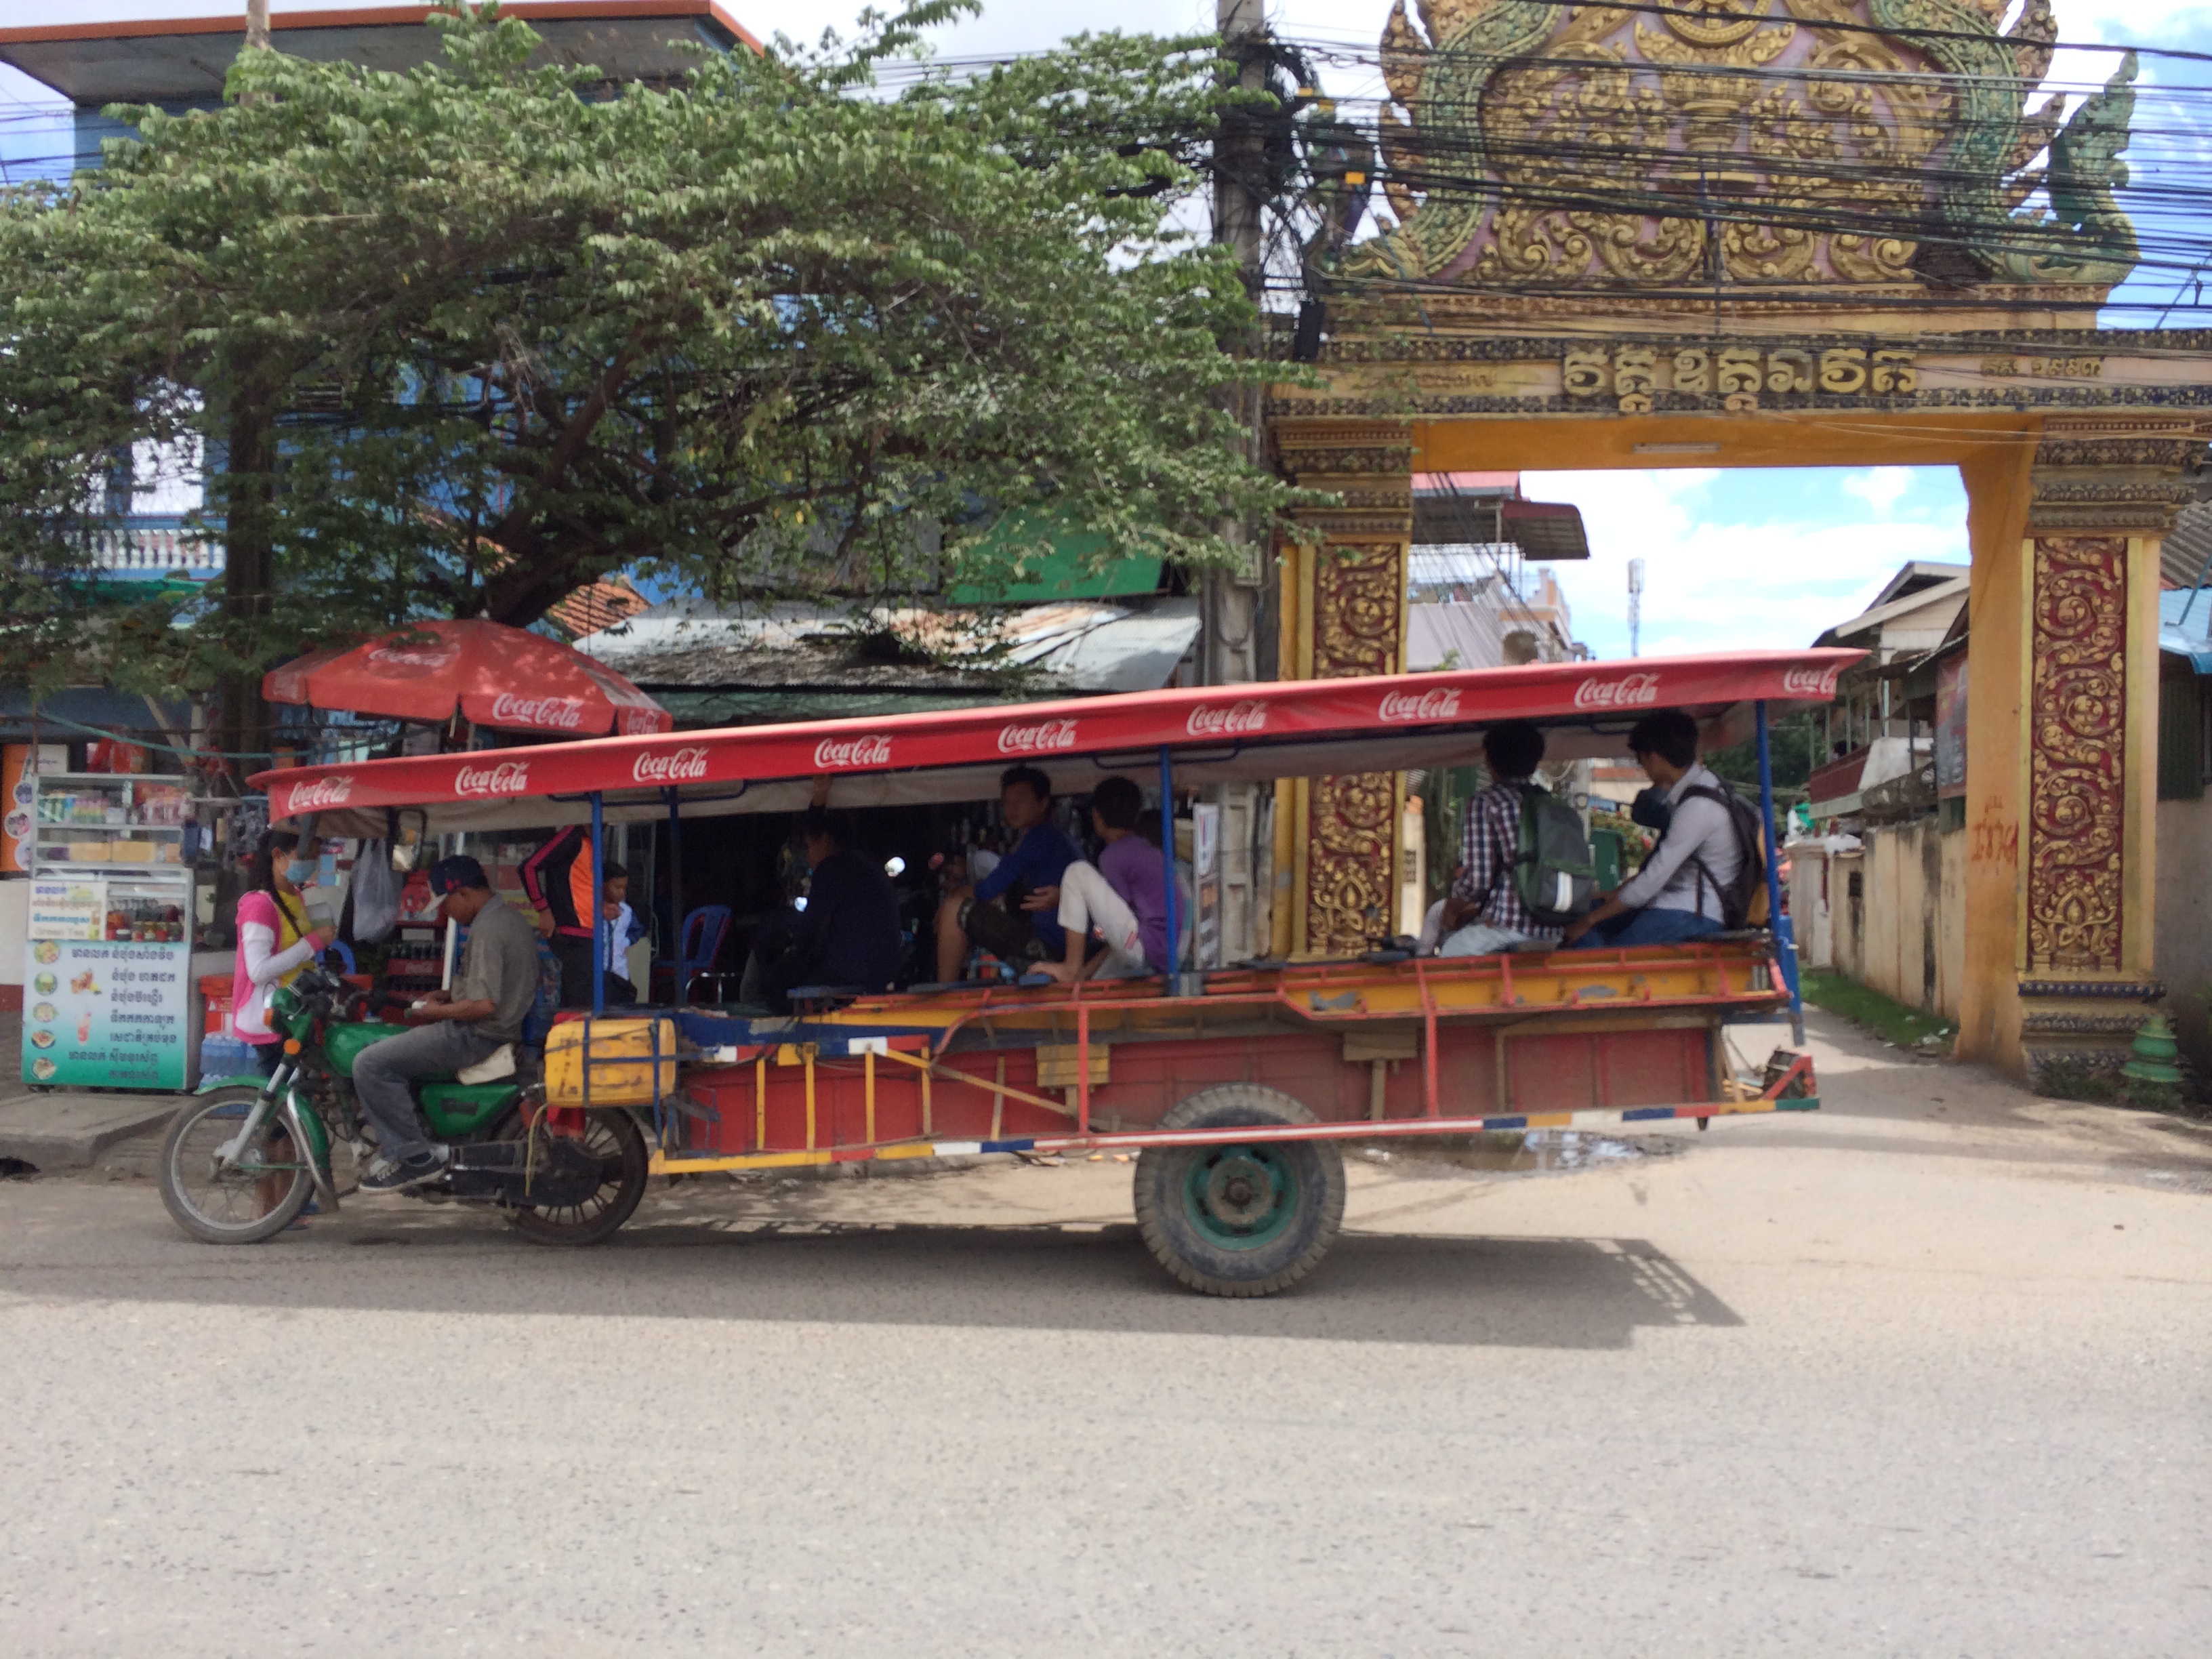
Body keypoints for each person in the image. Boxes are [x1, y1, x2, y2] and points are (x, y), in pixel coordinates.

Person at [352, 856, 539, 1190]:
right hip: (492, 1031)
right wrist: (447, 994)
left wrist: (434, 1012)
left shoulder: (488, 930)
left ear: (464, 893)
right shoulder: (507, 918)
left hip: (476, 1036)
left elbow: (483, 1004)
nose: (447, 913)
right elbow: (491, 984)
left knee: (369, 1063)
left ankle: (415, 1158)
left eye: (447, 903)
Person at [1563, 708, 1744, 949]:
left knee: (1601, 951)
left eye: (1641, 761)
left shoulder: (1698, 808)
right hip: (1678, 904)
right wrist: (1609, 898)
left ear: (1655, 758)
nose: (1644, 770)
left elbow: (1650, 883)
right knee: (1587, 917)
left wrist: (1589, 920)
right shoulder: (1705, 788)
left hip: (1691, 914)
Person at [933, 765, 1079, 981]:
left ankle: (944, 992)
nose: (1011, 809)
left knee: (955, 908)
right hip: (1058, 945)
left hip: (1051, 950)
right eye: (1007, 803)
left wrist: (949, 901)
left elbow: (987, 890)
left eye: (1020, 801)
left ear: (1043, 803)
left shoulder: (1040, 838)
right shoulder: (1051, 837)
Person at [754, 806, 902, 1006]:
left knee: (776, 983)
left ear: (824, 839)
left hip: (852, 970)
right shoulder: (866, 864)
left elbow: (808, 927)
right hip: (884, 966)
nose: (808, 856)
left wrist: (787, 938)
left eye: (809, 847)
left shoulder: (831, 868)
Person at [1027, 775, 1170, 983]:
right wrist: (1084, 975)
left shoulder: (1113, 856)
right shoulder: (1144, 849)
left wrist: (1067, 897)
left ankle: (1071, 966)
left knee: (1077, 872)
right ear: (1137, 817)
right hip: (1157, 950)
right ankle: (1077, 973)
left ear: (1096, 817)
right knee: (1091, 980)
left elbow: (1112, 921)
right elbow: (1118, 925)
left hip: (1147, 946)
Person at [1438, 721, 1564, 956]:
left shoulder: (1486, 803)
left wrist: (1452, 905)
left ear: (1489, 761)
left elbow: (1477, 881)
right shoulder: (1552, 803)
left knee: (1450, 951)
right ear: (1535, 762)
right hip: (1553, 929)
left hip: (1509, 925)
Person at [232, 830, 333, 1076]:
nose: (312, 863)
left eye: (316, 856)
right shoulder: (259, 905)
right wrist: (311, 944)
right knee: (276, 1097)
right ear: (278, 855)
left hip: (297, 1013)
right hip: (272, 1016)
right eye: (306, 856)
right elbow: (258, 971)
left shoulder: (295, 895)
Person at [520, 823, 600, 1008]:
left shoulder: (590, 841)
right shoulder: (571, 835)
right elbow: (529, 868)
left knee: (584, 999)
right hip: (571, 932)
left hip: (588, 933)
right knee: (579, 1002)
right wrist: (543, 909)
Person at [596, 862, 644, 1008]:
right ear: (603, 885)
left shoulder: (626, 911)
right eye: (617, 887)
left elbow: (637, 930)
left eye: (624, 888)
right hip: (599, 972)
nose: (621, 893)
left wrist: (626, 942)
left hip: (620, 972)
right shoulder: (594, 909)